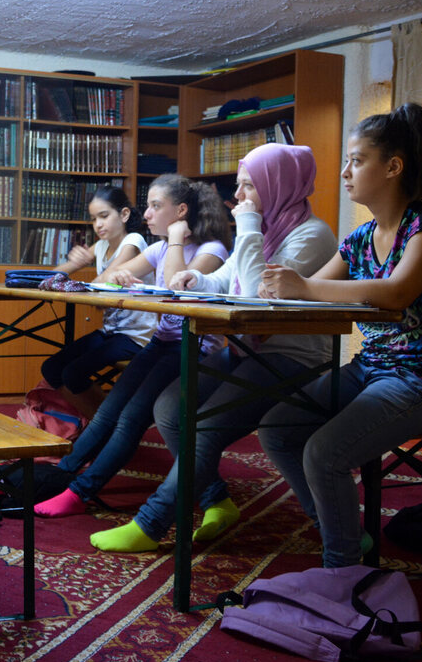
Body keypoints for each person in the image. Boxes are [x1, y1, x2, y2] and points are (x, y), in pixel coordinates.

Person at [258, 103, 422, 569]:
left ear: (393, 167)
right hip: (371, 369)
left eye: (357, 160)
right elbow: (310, 293)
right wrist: (277, 286)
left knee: (323, 453)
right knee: (278, 427)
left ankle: (343, 571)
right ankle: (346, 535)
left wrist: (304, 285)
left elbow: (396, 293)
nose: (344, 172)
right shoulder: (360, 238)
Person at [89, 143, 337, 552]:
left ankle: (151, 523)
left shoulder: (311, 234)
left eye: (248, 187)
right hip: (246, 349)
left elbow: (260, 296)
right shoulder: (264, 225)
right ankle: (218, 501)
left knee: (203, 425)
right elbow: (226, 280)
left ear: (277, 187)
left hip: (292, 356)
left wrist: (251, 227)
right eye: (239, 187)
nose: (238, 197)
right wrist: (196, 281)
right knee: (169, 409)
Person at [34, 174, 232, 518]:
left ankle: (79, 492)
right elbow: (104, 281)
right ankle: (63, 474)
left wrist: (174, 240)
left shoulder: (211, 250)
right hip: (161, 343)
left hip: (193, 347)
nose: (147, 215)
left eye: (156, 206)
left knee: (129, 419)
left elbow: (177, 287)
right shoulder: (156, 248)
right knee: (109, 411)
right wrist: (120, 276)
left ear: (181, 211)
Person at [39, 185, 155, 419]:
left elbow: (106, 280)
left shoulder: (133, 241)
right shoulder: (102, 245)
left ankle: (107, 424)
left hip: (138, 336)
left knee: (73, 372)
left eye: (104, 216)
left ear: (123, 215)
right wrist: (74, 262)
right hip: (112, 331)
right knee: (51, 369)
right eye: (94, 219)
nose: (98, 225)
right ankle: (98, 420)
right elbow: (52, 277)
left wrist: (85, 271)